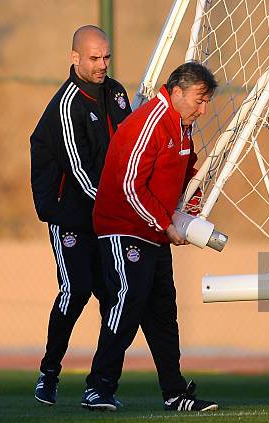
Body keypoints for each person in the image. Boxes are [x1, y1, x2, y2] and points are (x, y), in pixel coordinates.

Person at [84, 62, 218, 412]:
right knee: (127, 304)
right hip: (124, 227)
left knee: (163, 312)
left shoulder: (183, 126)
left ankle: (174, 393)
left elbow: (187, 171)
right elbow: (130, 185)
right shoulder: (149, 122)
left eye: (206, 102)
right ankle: (98, 388)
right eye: (199, 100)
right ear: (176, 92)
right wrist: (166, 224)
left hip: (154, 232)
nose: (203, 110)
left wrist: (191, 206)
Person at [29, 25, 131, 406]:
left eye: (106, 57)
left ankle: (100, 385)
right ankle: (49, 373)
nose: (102, 64)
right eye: (94, 58)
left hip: (106, 213)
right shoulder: (67, 105)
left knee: (118, 298)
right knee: (75, 292)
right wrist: (125, 207)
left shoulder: (116, 93)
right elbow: (81, 172)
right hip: (70, 214)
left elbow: (129, 149)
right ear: (75, 58)